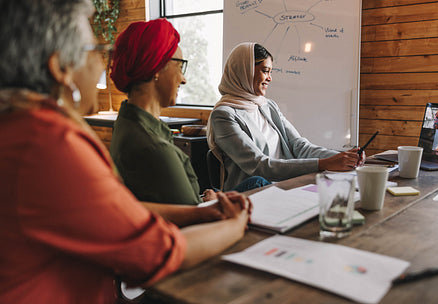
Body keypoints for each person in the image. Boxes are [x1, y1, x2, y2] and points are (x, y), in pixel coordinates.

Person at [0, 1, 250, 303]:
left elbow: (114, 211)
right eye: (95, 50)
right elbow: (158, 253)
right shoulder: (49, 143)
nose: (102, 65)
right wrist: (235, 227)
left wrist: (202, 213)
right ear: (60, 68)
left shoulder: (19, 127)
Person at [109, 20, 269, 206]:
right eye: (180, 66)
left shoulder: (129, 124)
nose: (183, 79)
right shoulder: (153, 146)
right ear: (156, 68)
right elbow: (193, 213)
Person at [207, 42, 365, 190]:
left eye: (270, 72)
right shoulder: (223, 115)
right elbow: (259, 166)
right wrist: (324, 163)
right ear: (245, 71)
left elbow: (299, 146)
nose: (270, 78)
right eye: (265, 70)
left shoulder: (268, 106)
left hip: (282, 186)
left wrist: (343, 157)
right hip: (251, 191)